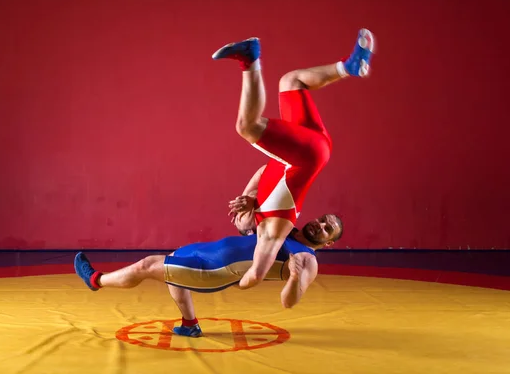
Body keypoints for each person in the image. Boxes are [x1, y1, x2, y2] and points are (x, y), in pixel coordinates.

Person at [212, 29, 375, 289]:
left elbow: (265, 168)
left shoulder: (265, 199)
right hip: (308, 156)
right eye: (325, 225)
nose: (318, 225)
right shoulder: (276, 228)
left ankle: (348, 66)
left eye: (322, 225)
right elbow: (255, 275)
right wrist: (228, 282)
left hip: (315, 146)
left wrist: (250, 198)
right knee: (247, 126)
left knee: (291, 81)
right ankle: (249, 60)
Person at [74, 214, 342, 338]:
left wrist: (295, 278)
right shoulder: (286, 227)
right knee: (172, 268)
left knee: (147, 265)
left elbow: (289, 302)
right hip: (206, 253)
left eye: (326, 228)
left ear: (329, 242)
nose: (319, 225)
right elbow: (249, 237)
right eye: (321, 220)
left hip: (213, 271)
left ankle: (96, 280)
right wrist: (247, 217)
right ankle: (190, 325)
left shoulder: (306, 260)